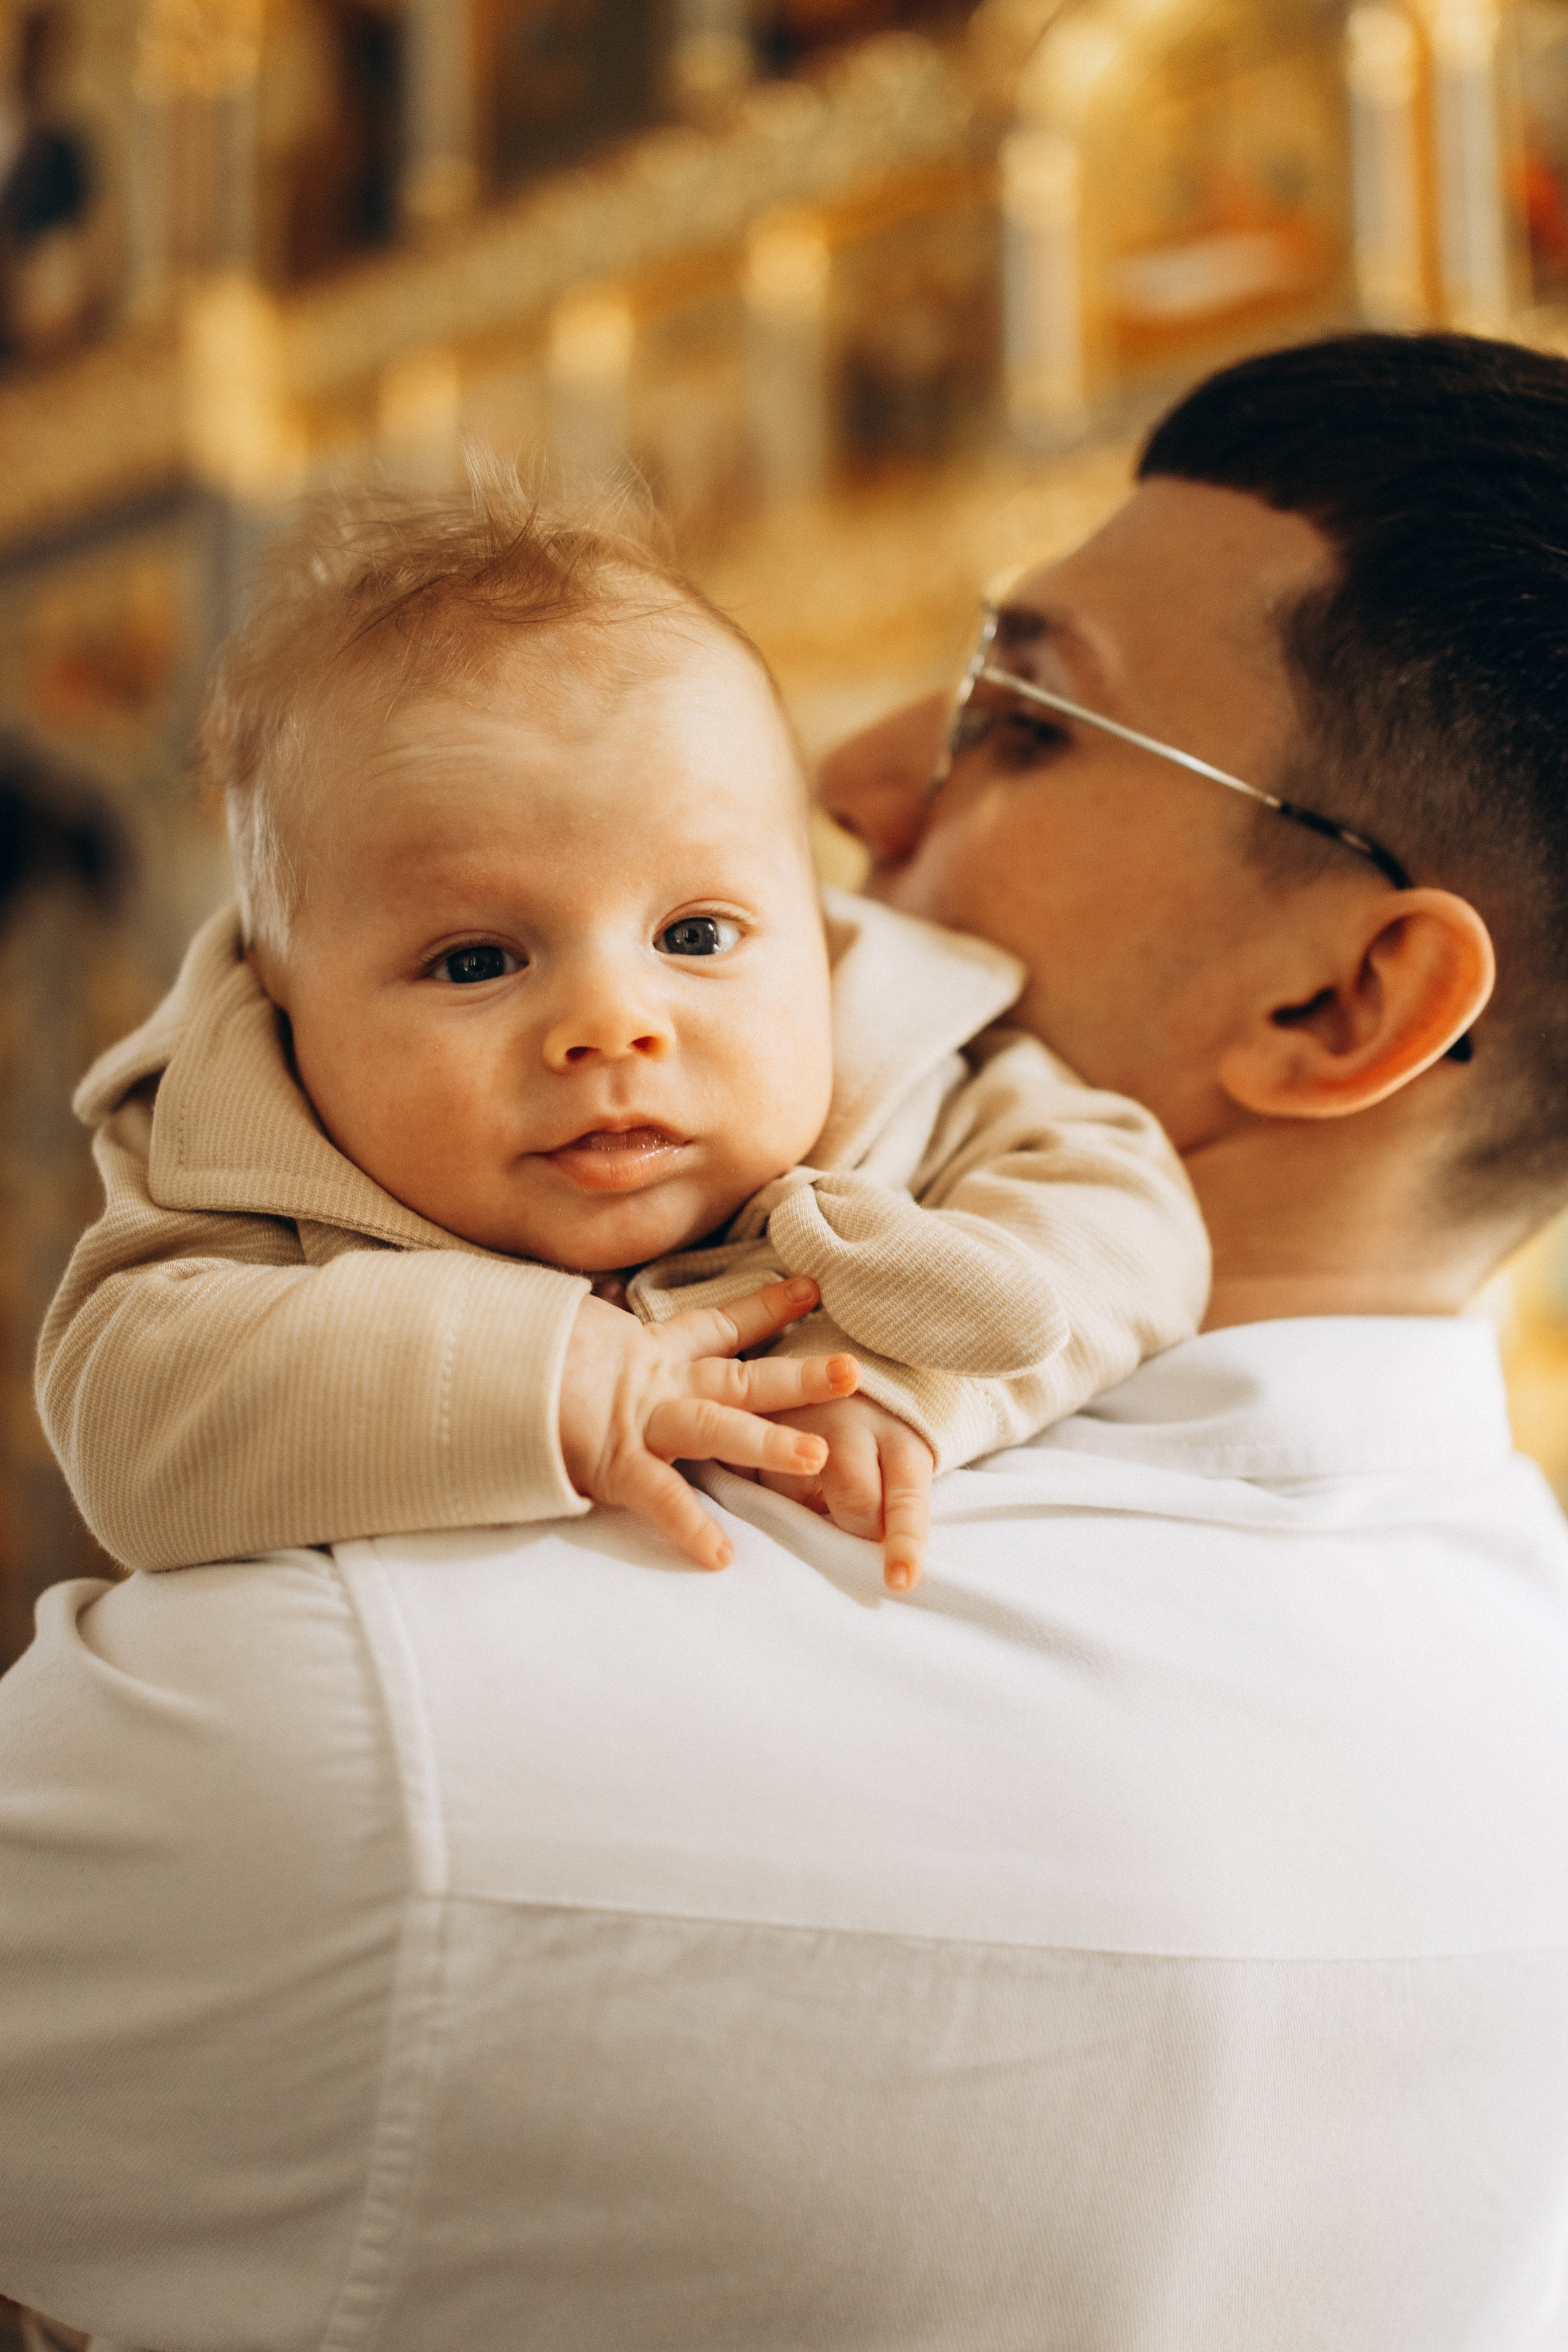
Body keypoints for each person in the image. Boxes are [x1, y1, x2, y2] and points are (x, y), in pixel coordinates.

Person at [3, 330, 1568, 2351]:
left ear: (1338, 1002)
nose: (853, 774)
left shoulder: (364, 1724)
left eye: (1027, 720)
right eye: (474, 955)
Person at [34, 481, 1205, 1594]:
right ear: (284, 1000)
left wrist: (904, 1380)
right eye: (477, 961)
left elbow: (1126, 1212)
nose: (611, 1025)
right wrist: (546, 1378)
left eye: (695, 935)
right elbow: (127, 1410)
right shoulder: (237, 1166)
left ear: (815, 925)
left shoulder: (912, 1063)